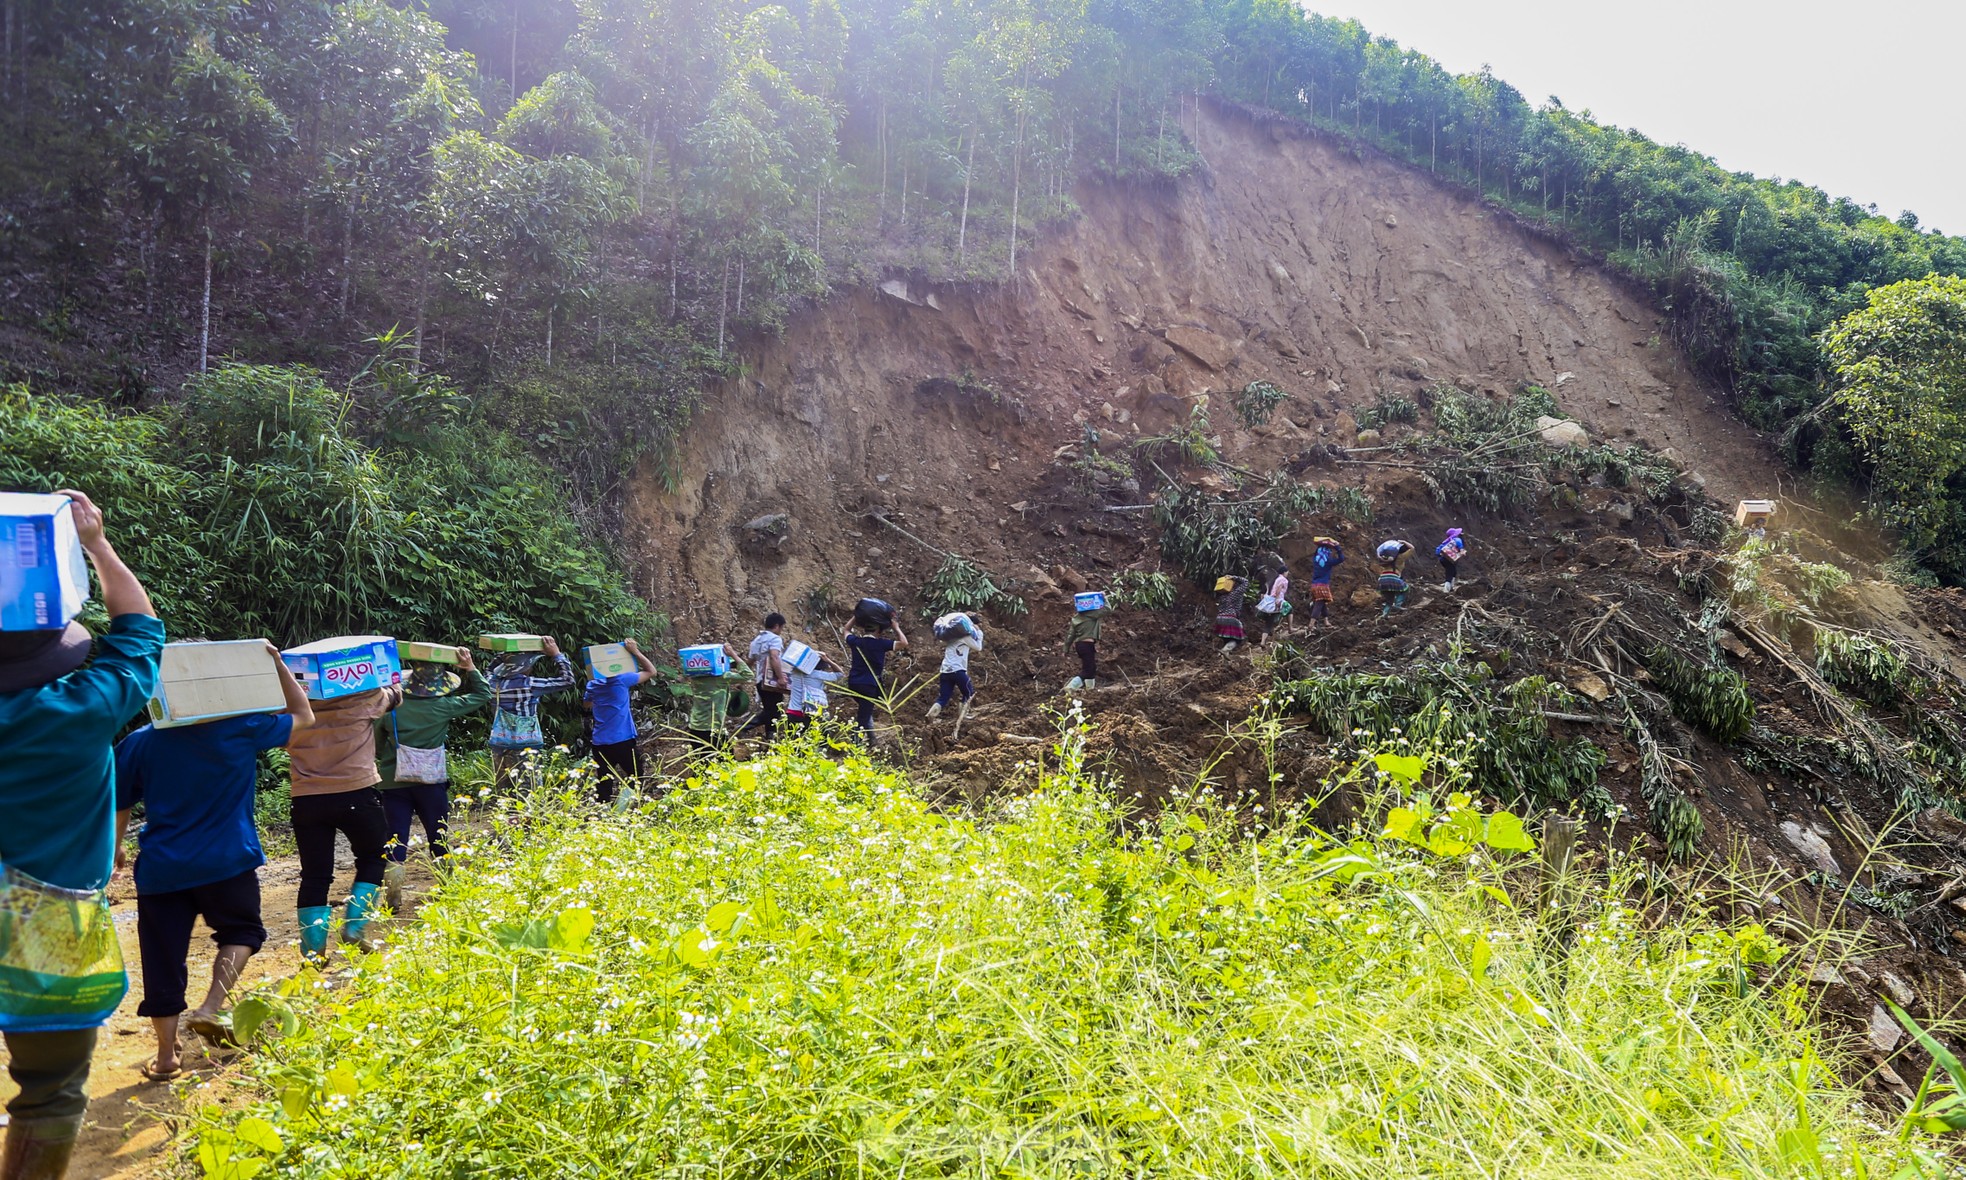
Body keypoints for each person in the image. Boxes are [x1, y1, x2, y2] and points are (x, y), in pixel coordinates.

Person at [0, 490, 162, 1179]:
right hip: (52, 934)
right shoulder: (82, 707)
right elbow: (140, 632)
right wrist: (96, 543)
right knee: (51, 1093)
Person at [114, 642, 314, 1082]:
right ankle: (211, 1006)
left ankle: (166, 1056)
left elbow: (119, 801)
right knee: (242, 932)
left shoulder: (140, 742)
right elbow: (304, 718)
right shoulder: (241, 727)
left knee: (162, 958)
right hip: (229, 860)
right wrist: (277, 665)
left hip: (163, 869)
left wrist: (116, 849)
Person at [287, 670, 405, 965]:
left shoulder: (290, 706)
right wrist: (389, 675)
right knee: (373, 858)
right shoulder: (364, 698)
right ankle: (354, 926)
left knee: (315, 875)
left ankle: (313, 952)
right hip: (356, 792)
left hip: (306, 799)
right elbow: (396, 695)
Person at [375, 647, 490, 911]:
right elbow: (483, 694)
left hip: (393, 782)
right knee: (438, 835)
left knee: (395, 837)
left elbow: (377, 746)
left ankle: (392, 898)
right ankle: (449, 888)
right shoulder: (445, 706)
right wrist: (470, 667)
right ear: (440, 684)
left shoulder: (391, 709)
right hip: (432, 782)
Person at [486, 637, 576, 793]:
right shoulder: (529, 685)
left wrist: (506, 654)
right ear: (525, 668)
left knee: (505, 794)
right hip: (525, 747)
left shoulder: (492, 684)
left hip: (499, 745)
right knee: (529, 793)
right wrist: (557, 655)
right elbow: (567, 680)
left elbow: (488, 670)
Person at [584, 639, 657, 804]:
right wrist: (635, 652)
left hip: (600, 741)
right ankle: (625, 808)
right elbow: (651, 671)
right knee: (635, 775)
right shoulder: (622, 680)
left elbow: (587, 704)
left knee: (604, 781)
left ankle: (603, 812)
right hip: (622, 740)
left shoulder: (592, 684)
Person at [844, 613, 908, 742]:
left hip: (853, 683)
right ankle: (855, 743)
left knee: (866, 710)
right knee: (863, 716)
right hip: (869, 685)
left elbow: (846, 630)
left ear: (864, 629)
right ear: (879, 631)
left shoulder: (856, 641)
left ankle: (872, 739)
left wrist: (855, 617)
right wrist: (896, 627)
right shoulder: (881, 644)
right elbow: (904, 643)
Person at [682, 645, 751, 752]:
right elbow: (748, 675)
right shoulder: (722, 677)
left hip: (696, 727)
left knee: (702, 764)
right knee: (725, 762)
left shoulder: (695, 677)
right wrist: (732, 654)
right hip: (713, 728)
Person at [737, 613, 791, 740]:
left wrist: (741, 680)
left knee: (770, 709)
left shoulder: (756, 641)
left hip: (760, 680)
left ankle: (770, 737)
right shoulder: (775, 639)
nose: (781, 631)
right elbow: (774, 657)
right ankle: (745, 726)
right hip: (771, 681)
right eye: (781, 628)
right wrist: (781, 678)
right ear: (777, 626)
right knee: (774, 711)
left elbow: (749, 662)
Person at [927, 613, 982, 722]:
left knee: (943, 697)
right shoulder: (966, 637)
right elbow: (978, 647)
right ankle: (964, 715)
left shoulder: (950, 638)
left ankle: (931, 716)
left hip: (945, 671)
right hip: (958, 670)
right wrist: (979, 632)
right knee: (969, 692)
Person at [785, 649, 842, 730]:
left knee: (793, 740)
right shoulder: (818, 674)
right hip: (810, 713)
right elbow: (840, 674)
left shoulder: (794, 672)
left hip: (793, 712)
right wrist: (828, 660)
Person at [1065, 599, 1111, 692]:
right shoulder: (1091, 615)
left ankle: (1090, 690)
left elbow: (1070, 635)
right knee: (1088, 670)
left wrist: (1065, 649)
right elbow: (1108, 609)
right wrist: (1104, 598)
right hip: (1087, 645)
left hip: (1080, 645)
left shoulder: (1076, 618)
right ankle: (1071, 687)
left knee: (1091, 668)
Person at [1307, 537, 1345, 628]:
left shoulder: (1315, 560)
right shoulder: (1328, 561)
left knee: (1322, 603)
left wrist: (1322, 544)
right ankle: (1311, 624)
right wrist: (1337, 547)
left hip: (1314, 585)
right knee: (1319, 604)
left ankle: (1326, 621)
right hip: (1323, 585)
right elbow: (1341, 559)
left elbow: (1316, 552)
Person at [1253, 566, 1291, 645]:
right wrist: (1277, 599)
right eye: (1287, 572)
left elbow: (1265, 592)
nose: (1288, 573)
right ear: (1284, 572)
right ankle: (1290, 628)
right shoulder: (1283, 580)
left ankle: (1263, 641)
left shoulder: (1275, 579)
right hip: (1276, 601)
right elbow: (1278, 589)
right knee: (1290, 609)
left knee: (1269, 623)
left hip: (1268, 602)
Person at [1375, 538, 1413, 617]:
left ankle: (1384, 615)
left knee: (1389, 601)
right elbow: (1412, 548)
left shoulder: (1383, 559)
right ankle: (1397, 604)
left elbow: (1379, 554)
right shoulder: (1400, 558)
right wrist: (1404, 542)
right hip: (1393, 578)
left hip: (1382, 579)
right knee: (1405, 589)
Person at [1214, 575, 1248, 653]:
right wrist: (1234, 577)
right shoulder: (1235, 593)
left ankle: (1224, 656)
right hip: (1230, 619)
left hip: (1219, 619)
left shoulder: (1222, 597)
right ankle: (1225, 650)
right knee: (1238, 639)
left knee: (1227, 639)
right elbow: (1245, 582)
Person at [1436, 528, 1468, 592]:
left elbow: (1437, 551)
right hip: (1449, 560)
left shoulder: (1445, 542)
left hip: (1442, 560)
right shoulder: (1456, 539)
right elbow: (1459, 543)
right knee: (1450, 572)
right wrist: (1461, 550)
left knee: (1453, 571)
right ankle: (1446, 589)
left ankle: (1451, 587)